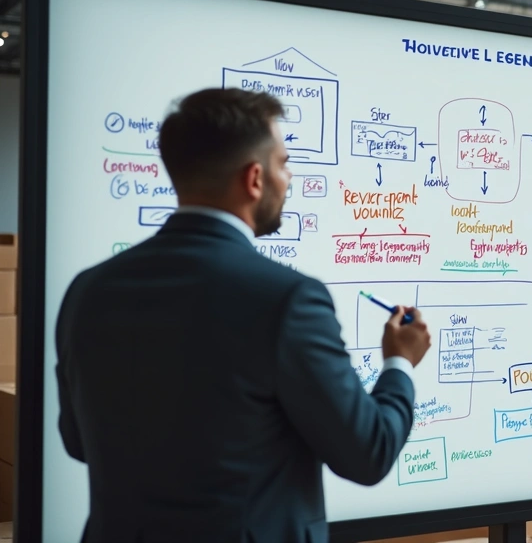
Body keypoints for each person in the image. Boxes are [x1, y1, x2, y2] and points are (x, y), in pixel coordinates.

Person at [55, 88, 431, 543]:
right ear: (255, 178)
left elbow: (79, 442)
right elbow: (369, 453)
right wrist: (399, 364)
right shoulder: (288, 300)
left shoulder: (89, 291)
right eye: (284, 163)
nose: (288, 178)